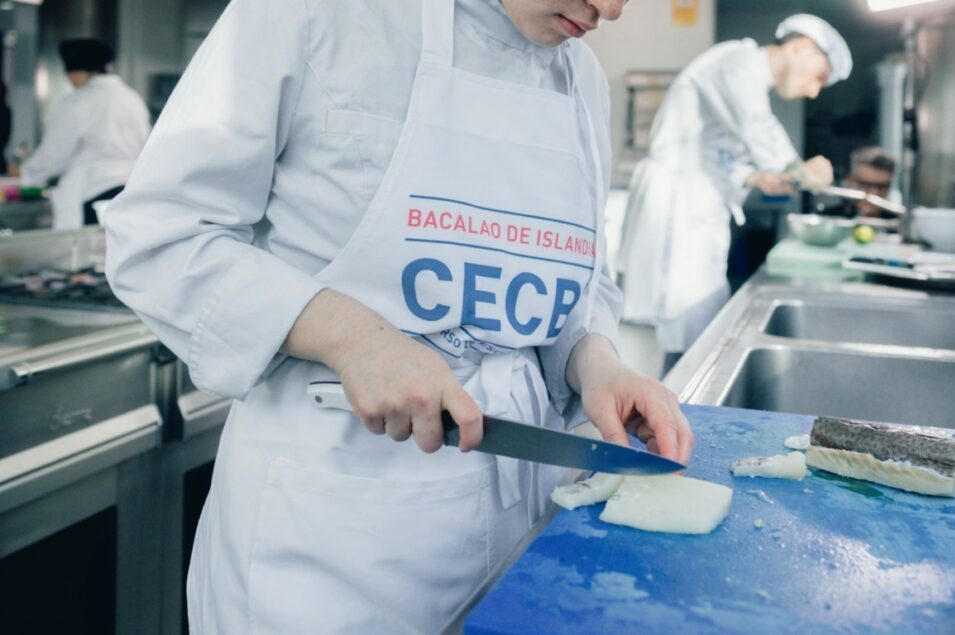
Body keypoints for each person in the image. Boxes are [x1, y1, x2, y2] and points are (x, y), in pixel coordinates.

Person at [103, 1, 694, 632]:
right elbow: (160, 238)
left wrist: (594, 361)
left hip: (526, 526)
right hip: (332, 548)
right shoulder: (312, 14)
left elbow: (576, 276)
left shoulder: (581, 78)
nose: (610, 8)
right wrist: (351, 337)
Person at [618, 14, 852, 373]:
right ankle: (659, 416)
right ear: (802, 47)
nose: (814, 91)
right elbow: (756, 126)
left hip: (698, 212)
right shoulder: (736, 62)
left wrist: (754, 178)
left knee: (693, 331)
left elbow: (714, 153)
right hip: (675, 213)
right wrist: (800, 168)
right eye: (819, 77)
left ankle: (673, 407)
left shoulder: (747, 80)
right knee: (674, 332)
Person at [15, 38, 150, 229]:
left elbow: (55, 153)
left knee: (89, 253)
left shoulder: (79, 100)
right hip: (130, 191)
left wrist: (28, 176)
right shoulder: (132, 98)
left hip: (93, 191)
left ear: (77, 72)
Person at [828, 145, 897, 218]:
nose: (874, 193)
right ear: (850, 182)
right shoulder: (830, 220)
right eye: (866, 185)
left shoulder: (898, 224)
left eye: (881, 187)